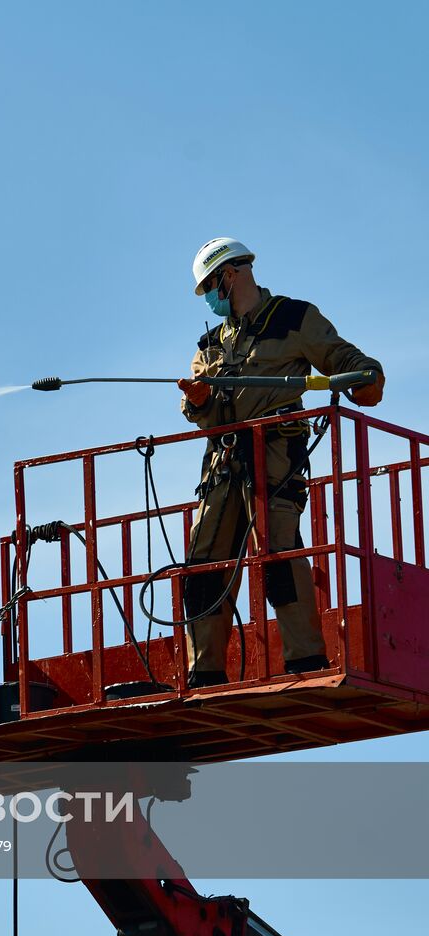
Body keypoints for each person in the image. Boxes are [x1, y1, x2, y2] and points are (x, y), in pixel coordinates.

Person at [177, 238, 385, 687]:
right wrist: (198, 401)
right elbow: (205, 414)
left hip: (274, 456)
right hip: (223, 465)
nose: (211, 299)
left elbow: (351, 362)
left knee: (278, 554)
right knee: (203, 564)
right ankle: (204, 672)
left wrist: (364, 379)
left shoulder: (294, 318)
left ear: (229, 276)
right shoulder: (211, 345)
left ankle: (305, 660)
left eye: (211, 287)